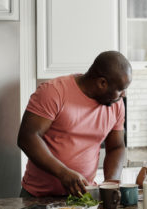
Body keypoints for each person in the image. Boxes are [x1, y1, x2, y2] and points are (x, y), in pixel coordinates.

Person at [17, 51, 132, 197]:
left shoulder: (116, 105)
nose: (124, 95)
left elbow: (116, 147)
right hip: (38, 196)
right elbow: (27, 137)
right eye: (120, 89)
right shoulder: (54, 92)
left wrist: (111, 182)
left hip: (83, 197)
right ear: (102, 83)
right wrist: (63, 173)